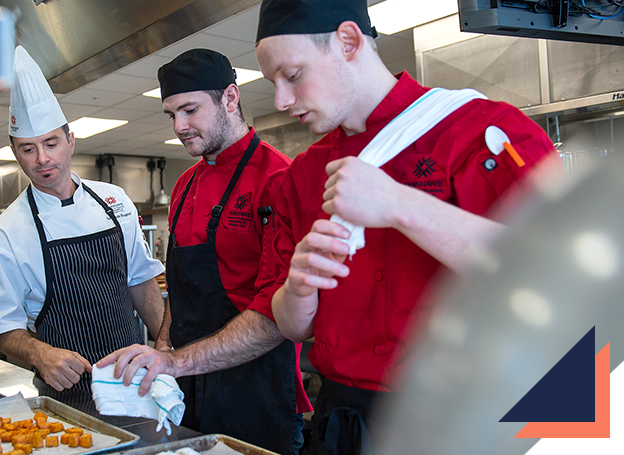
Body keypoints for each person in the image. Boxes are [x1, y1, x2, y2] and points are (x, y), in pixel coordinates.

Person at [252, 1, 561, 454]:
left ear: (349, 41)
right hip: (342, 419)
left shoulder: (480, 131)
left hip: (456, 419)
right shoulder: (304, 174)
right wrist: (298, 288)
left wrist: (400, 204)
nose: (280, 100)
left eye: (293, 75)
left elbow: (550, 269)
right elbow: (295, 328)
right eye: (272, 83)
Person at [99, 49, 308, 454]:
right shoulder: (185, 184)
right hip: (187, 385)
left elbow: (275, 311)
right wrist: (161, 354)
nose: (179, 126)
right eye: (171, 114)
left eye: (190, 110)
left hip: (256, 386)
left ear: (231, 98)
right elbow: (181, 288)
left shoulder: (279, 177)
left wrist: (177, 361)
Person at [0, 46, 165, 399]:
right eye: (28, 148)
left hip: (135, 379)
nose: (43, 159)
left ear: (71, 141)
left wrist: (167, 351)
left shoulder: (114, 201)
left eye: (51, 143)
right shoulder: (5, 234)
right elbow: (2, 325)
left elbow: (141, 281)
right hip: (64, 387)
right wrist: (39, 353)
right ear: (15, 152)